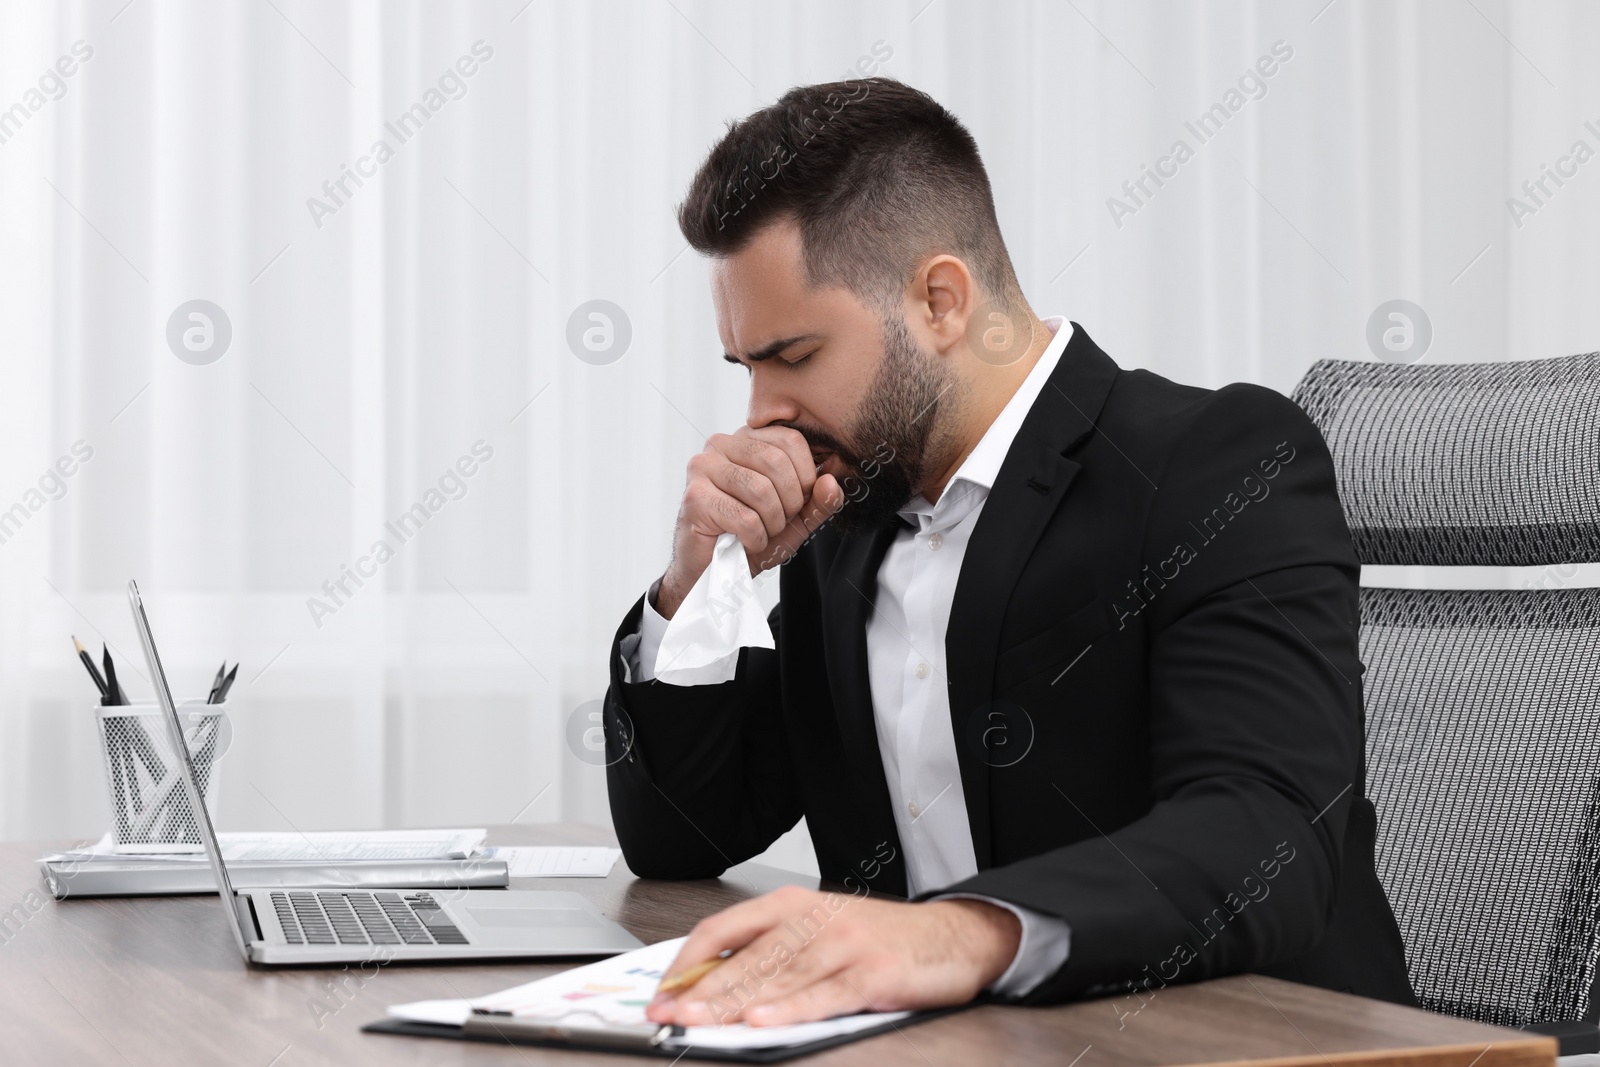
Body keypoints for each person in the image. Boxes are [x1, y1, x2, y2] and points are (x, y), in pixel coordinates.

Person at [601, 77, 1414, 1029]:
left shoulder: (1213, 463)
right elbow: (683, 839)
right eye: (746, 367)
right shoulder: (849, 515)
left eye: (794, 355)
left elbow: (1262, 835)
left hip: (1236, 1043)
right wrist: (700, 583)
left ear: (942, 301)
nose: (760, 414)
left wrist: (948, 936)